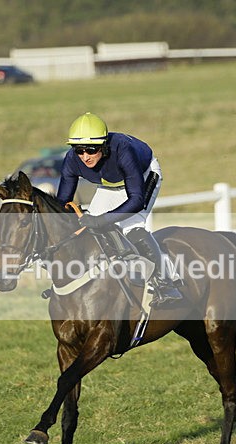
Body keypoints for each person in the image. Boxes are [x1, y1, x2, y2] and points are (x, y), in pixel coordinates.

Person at [55, 112, 182, 306]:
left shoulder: (123, 150)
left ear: (104, 146)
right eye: (79, 150)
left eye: (91, 149)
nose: (85, 156)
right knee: (90, 229)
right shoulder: (72, 160)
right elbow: (61, 202)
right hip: (109, 184)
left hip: (144, 175)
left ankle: (166, 282)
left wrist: (101, 220)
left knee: (132, 228)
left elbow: (137, 200)